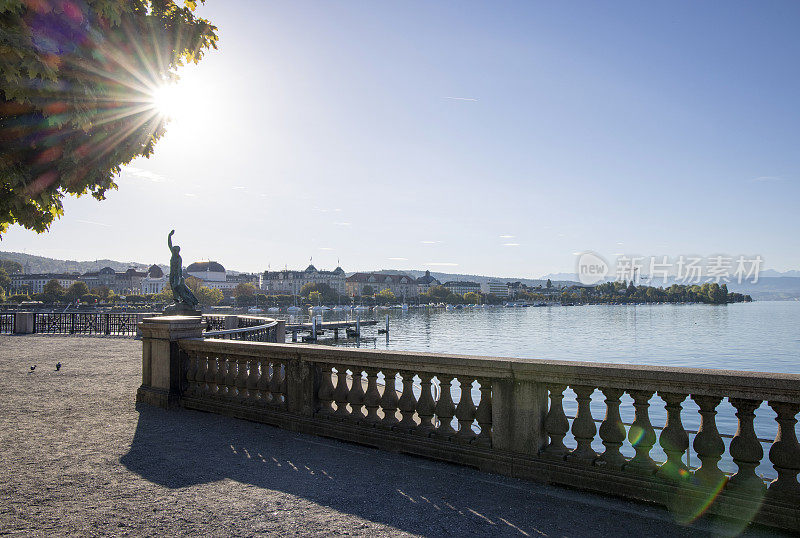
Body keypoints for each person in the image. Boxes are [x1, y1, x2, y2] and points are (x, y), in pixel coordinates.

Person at [167, 230, 199, 307]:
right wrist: (169, 236)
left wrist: (179, 277)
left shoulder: (178, 258)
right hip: (172, 274)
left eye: (175, 250)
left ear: (177, 251)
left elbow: (179, 268)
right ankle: (176, 300)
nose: (173, 251)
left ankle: (183, 299)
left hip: (176, 275)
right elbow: (169, 244)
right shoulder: (173, 255)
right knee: (173, 287)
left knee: (176, 286)